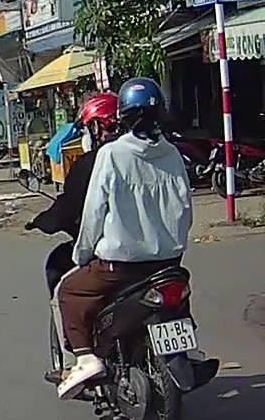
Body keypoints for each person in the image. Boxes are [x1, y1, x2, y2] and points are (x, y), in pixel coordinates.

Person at [54, 77, 193, 400]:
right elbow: (185, 209)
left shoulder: (112, 154)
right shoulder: (172, 154)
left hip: (119, 267)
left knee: (68, 290)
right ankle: (184, 352)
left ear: (123, 118)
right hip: (167, 265)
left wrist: (82, 255)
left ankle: (85, 358)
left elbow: (94, 212)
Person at [27, 91, 119, 385]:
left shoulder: (98, 162)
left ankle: (76, 361)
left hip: (117, 255)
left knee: (64, 285)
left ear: (97, 127)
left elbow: (82, 211)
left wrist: (48, 222)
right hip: (166, 255)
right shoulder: (158, 156)